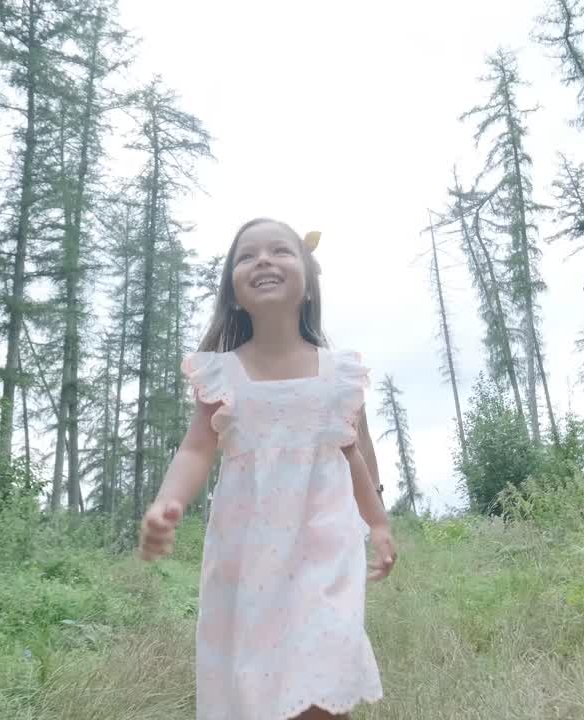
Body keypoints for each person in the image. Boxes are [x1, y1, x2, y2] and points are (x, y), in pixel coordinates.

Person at [137, 218, 397, 720]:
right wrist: (167, 502)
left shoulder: (338, 373)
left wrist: (379, 523)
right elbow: (196, 450)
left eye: (280, 250)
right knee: (255, 684)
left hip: (324, 551)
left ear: (308, 283)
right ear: (233, 293)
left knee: (324, 673)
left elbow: (353, 454)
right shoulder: (221, 372)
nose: (263, 260)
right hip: (246, 557)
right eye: (247, 255)